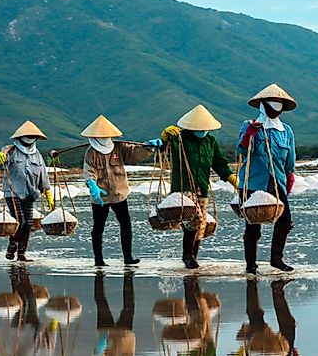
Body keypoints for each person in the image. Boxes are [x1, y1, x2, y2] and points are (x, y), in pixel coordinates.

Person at [159, 105, 239, 269]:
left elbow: (219, 163)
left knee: (199, 225)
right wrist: (166, 136)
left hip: (201, 187)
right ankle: (187, 256)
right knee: (197, 218)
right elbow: (163, 148)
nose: (202, 130)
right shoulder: (180, 138)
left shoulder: (210, 141)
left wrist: (232, 179)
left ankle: (193, 257)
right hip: (183, 186)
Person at [236, 84, 298, 275]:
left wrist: (289, 176)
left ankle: (276, 258)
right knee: (253, 225)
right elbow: (242, 150)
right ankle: (251, 264)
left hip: (276, 182)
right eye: (272, 105)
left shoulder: (286, 131)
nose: (276, 108)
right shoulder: (250, 125)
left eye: (279, 105)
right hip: (254, 183)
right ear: (263, 106)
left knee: (285, 221)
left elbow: (290, 158)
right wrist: (249, 135)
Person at [77, 115, 153, 267]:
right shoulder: (91, 152)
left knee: (126, 224)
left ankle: (128, 257)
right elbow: (89, 171)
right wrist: (92, 185)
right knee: (98, 227)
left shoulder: (119, 147)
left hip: (119, 194)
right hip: (101, 196)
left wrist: (148, 148)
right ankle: (98, 260)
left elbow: (134, 154)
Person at [0, 121, 54, 262]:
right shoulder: (10, 150)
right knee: (19, 220)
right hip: (13, 192)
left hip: (30, 193)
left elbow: (42, 173)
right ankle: (12, 246)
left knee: (28, 223)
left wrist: (48, 193)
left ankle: (22, 253)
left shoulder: (37, 154)